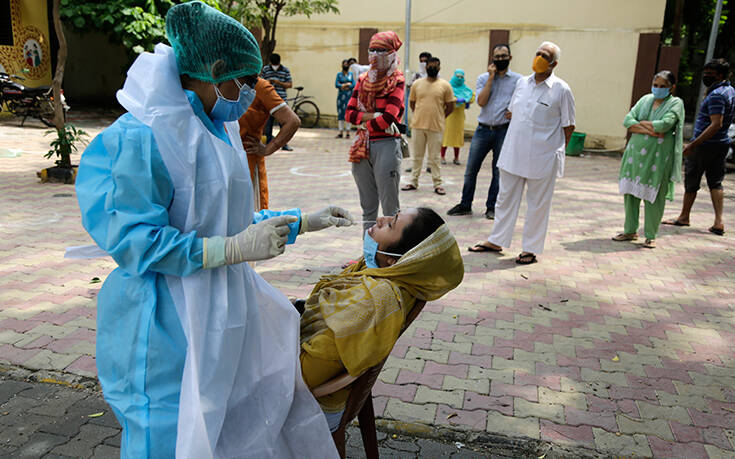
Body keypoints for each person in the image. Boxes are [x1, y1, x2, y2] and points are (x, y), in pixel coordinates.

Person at [75, 3, 352, 457]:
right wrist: (229, 249)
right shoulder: (141, 136)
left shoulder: (217, 127)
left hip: (223, 311)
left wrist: (302, 221)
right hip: (164, 321)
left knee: (222, 429)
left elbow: (230, 226)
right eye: (243, 81)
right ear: (215, 70)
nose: (248, 94)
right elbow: (136, 241)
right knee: (165, 435)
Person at [298, 208, 464, 432]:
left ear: (392, 261)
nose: (380, 219)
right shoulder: (390, 276)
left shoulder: (370, 303)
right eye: (391, 216)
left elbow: (304, 376)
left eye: (390, 225)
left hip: (313, 405)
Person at [469, 41, 575, 265]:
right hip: (513, 151)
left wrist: (557, 150)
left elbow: (569, 126)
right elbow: (512, 112)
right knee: (504, 199)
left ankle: (530, 249)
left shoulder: (561, 89)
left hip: (543, 157)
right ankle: (496, 240)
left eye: (545, 55)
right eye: (538, 52)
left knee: (538, 205)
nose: (539, 57)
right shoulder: (522, 83)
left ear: (554, 63)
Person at [447, 44, 521, 220]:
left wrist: (517, 111)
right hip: (482, 130)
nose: (500, 59)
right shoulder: (483, 78)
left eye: (504, 56)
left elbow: (524, 102)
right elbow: (481, 101)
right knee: (471, 169)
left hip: (504, 131)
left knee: (498, 172)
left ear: (510, 58)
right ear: (492, 59)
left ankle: (491, 207)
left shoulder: (519, 81)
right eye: (497, 56)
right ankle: (465, 204)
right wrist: (491, 78)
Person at [613, 71, 685, 249]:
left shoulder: (676, 103)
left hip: (658, 157)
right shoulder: (645, 99)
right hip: (635, 155)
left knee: (655, 196)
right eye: (656, 85)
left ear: (671, 88)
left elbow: (666, 125)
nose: (658, 89)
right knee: (630, 194)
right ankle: (630, 230)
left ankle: (651, 235)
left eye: (662, 86)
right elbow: (628, 121)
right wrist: (651, 130)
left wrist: (641, 124)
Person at [663, 58, 735, 236]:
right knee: (716, 181)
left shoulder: (717, 95)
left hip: (705, 145)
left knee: (692, 180)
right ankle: (718, 221)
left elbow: (715, 123)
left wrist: (693, 145)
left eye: (709, 74)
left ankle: (684, 216)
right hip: (721, 143)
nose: (705, 76)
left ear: (719, 75)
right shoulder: (729, 90)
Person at [346, 31, 405, 232]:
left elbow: (390, 117)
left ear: (392, 53)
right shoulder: (362, 80)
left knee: (390, 209)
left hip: (386, 145)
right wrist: (374, 116)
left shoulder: (397, 80)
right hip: (362, 147)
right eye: (372, 50)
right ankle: (368, 256)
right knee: (368, 208)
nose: (375, 55)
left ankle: (391, 256)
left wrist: (363, 121)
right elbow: (349, 114)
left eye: (382, 51)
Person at [239, 77, 300, 210]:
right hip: (222, 161)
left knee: (249, 216)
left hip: (248, 161)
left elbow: (292, 121)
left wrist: (268, 149)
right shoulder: (219, 81)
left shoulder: (259, 86)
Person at [402, 57, 455, 195]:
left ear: (439, 68)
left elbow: (450, 106)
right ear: (426, 68)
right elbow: (412, 103)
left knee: (434, 158)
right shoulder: (417, 84)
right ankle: (413, 182)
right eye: (430, 66)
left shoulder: (445, 85)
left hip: (436, 126)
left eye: (435, 66)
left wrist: (440, 116)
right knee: (417, 156)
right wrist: (420, 114)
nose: (432, 68)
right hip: (418, 125)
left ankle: (437, 184)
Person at [261, 53, 294, 151]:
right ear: (270, 62)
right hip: (267, 100)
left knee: (284, 124)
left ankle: (284, 144)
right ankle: (267, 143)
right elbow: (260, 82)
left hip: (281, 100)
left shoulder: (285, 70)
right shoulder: (266, 69)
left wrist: (279, 82)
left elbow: (290, 84)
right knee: (267, 123)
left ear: (279, 62)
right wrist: (268, 82)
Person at [441, 69, 475, 165]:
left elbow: (472, 96)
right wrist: (455, 100)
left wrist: (467, 101)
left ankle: (456, 157)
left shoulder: (465, 89)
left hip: (459, 117)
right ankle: (442, 156)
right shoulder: (448, 88)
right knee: (446, 137)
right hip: (449, 115)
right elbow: (444, 97)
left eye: (461, 77)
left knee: (457, 137)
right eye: (458, 76)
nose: (459, 79)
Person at [335, 59, 355, 138]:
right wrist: (346, 84)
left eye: (347, 64)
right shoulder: (339, 75)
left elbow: (353, 84)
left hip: (349, 97)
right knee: (340, 114)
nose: (345, 65)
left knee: (348, 113)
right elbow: (336, 84)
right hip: (341, 98)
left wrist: (344, 85)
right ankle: (340, 132)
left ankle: (348, 132)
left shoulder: (351, 74)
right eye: (344, 64)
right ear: (342, 65)